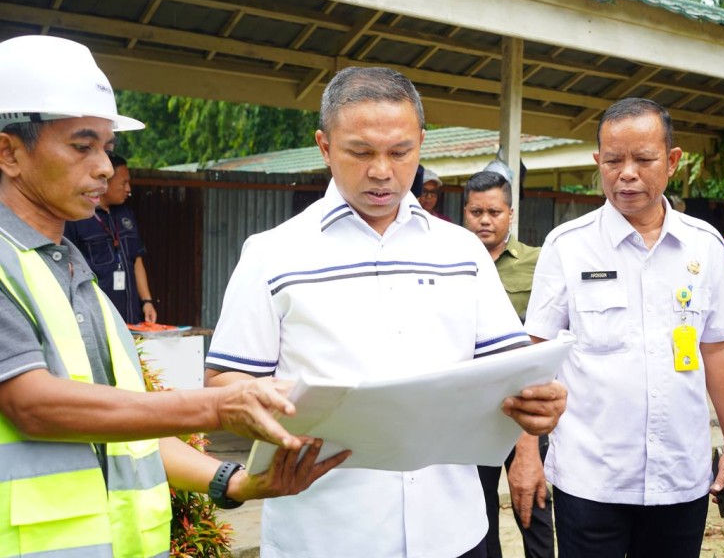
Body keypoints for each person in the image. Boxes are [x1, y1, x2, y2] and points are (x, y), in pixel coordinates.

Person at [0, 35, 348, 558]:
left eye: (106, 147)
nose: (104, 167)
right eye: (82, 145)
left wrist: (234, 481)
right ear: (8, 152)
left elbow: (129, 426)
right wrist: (216, 406)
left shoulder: (70, 269)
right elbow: (33, 406)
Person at [204, 66, 567, 558]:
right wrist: (301, 407)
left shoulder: (461, 251)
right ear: (325, 146)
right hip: (326, 535)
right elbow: (225, 383)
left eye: (400, 152)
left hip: (452, 530)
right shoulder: (272, 254)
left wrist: (537, 401)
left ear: (421, 144)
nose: (382, 171)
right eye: (360, 152)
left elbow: (510, 369)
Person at [524, 98, 724, 557]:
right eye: (613, 161)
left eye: (644, 159)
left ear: (672, 160)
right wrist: (527, 450)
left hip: (680, 476)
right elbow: (535, 353)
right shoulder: (567, 246)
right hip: (591, 478)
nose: (627, 174)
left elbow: (717, 347)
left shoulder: (705, 246)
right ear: (597, 162)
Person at [463, 170, 554, 558]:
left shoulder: (537, 262)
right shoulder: (453, 264)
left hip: (525, 403)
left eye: (494, 212)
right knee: (480, 510)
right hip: (475, 409)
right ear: (464, 213)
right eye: (476, 212)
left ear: (510, 214)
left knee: (533, 501)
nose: (485, 220)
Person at [65, 152, 156, 324]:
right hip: (97, 317)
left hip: (131, 317)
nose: (128, 189)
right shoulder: (78, 217)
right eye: (123, 183)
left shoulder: (126, 214)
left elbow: (137, 260)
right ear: (105, 181)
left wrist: (147, 301)